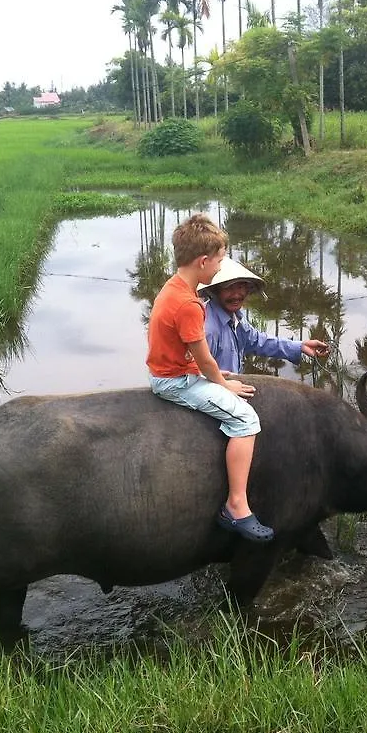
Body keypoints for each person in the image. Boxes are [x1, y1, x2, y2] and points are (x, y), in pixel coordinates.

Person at [146, 214, 274, 543]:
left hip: (172, 370)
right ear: (203, 261)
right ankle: (237, 505)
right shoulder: (189, 304)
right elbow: (204, 358)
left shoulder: (173, 288)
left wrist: (213, 373)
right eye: (218, 261)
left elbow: (191, 354)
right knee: (246, 421)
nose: (219, 268)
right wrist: (222, 382)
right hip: (175, 381)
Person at [198, 256, 330, 375]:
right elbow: (197, 375)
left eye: (240, 287)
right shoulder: (208, 329)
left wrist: (301, 346)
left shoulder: (236, 318)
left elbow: (257, 341)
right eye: (229, 288)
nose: (236, 295)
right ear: (215, 291)